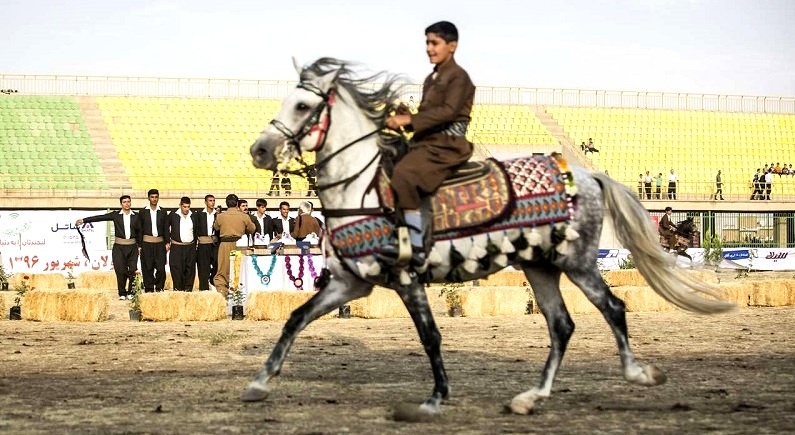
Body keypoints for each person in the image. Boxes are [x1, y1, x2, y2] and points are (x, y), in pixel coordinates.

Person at [383, 20, 476, 265]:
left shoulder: (459, 77)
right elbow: (428, 114)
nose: (429, 48)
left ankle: (416, 246)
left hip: (448, 144)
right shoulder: (431, 78)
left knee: (404, 173)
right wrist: (408, 116)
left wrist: (409, 119)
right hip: (429, 141)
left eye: (435, 43)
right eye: (427, 43)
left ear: (452, 46)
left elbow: (447, 112)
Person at [76, 195, 140, 300]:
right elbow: (100, 217)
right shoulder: (116, 215)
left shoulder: (136, 216)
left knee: (133, 269)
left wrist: (140, 246)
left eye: (129, 201)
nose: (127, 204)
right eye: (124, 202)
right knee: (120, 270)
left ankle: (131, 292)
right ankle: (122, 293)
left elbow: (140, 231)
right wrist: (84, 220)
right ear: (121, 204)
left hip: (132, 246)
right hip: (119, 247)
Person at [212, 194, 256, 297]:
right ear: (237, 204)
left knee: (223, 270)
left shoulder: (220, 216)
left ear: (226, 204)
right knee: (239, 270)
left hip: (225, 244)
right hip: (240, 245)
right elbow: (252, 229)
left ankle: (223, 293)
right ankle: (239, 292)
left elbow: (216, 227)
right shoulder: (244, 216)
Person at [136, 189, 169, 292]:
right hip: (146, 243)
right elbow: (139, 229)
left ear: (158, 198)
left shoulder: (163, 212)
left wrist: (167, 242)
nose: (154, 199)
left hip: (160, 243)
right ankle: (149, 288)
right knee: (147, 267)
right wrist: (139, 245)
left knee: (160, 268)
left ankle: (159, 287)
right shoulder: (142, 212)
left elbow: (166, 228)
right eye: (152, 197)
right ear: (148, 198)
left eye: (156, 197)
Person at [167, 196, 198, 292]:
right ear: (180, 205)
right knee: (176, 269)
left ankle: (188, 290)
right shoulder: (173, 215)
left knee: (190, 269)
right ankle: (178, 290)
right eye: (184, 207)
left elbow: (196, 230)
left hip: (190, 246)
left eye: (188, 207)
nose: (186, 209)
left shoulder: (193, 215)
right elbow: (165, 228)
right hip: (177, 246)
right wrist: (167, 241)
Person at [196, 194, 218, 291]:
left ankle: (212, 282)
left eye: (213, 200)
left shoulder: (218, 215)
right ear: (205, 202)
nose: (212, 202)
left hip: (215, 244)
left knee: (217, 265)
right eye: (210, 200)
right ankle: (203, 289)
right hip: (203, 244)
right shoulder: (199, 214)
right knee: (203, 267)